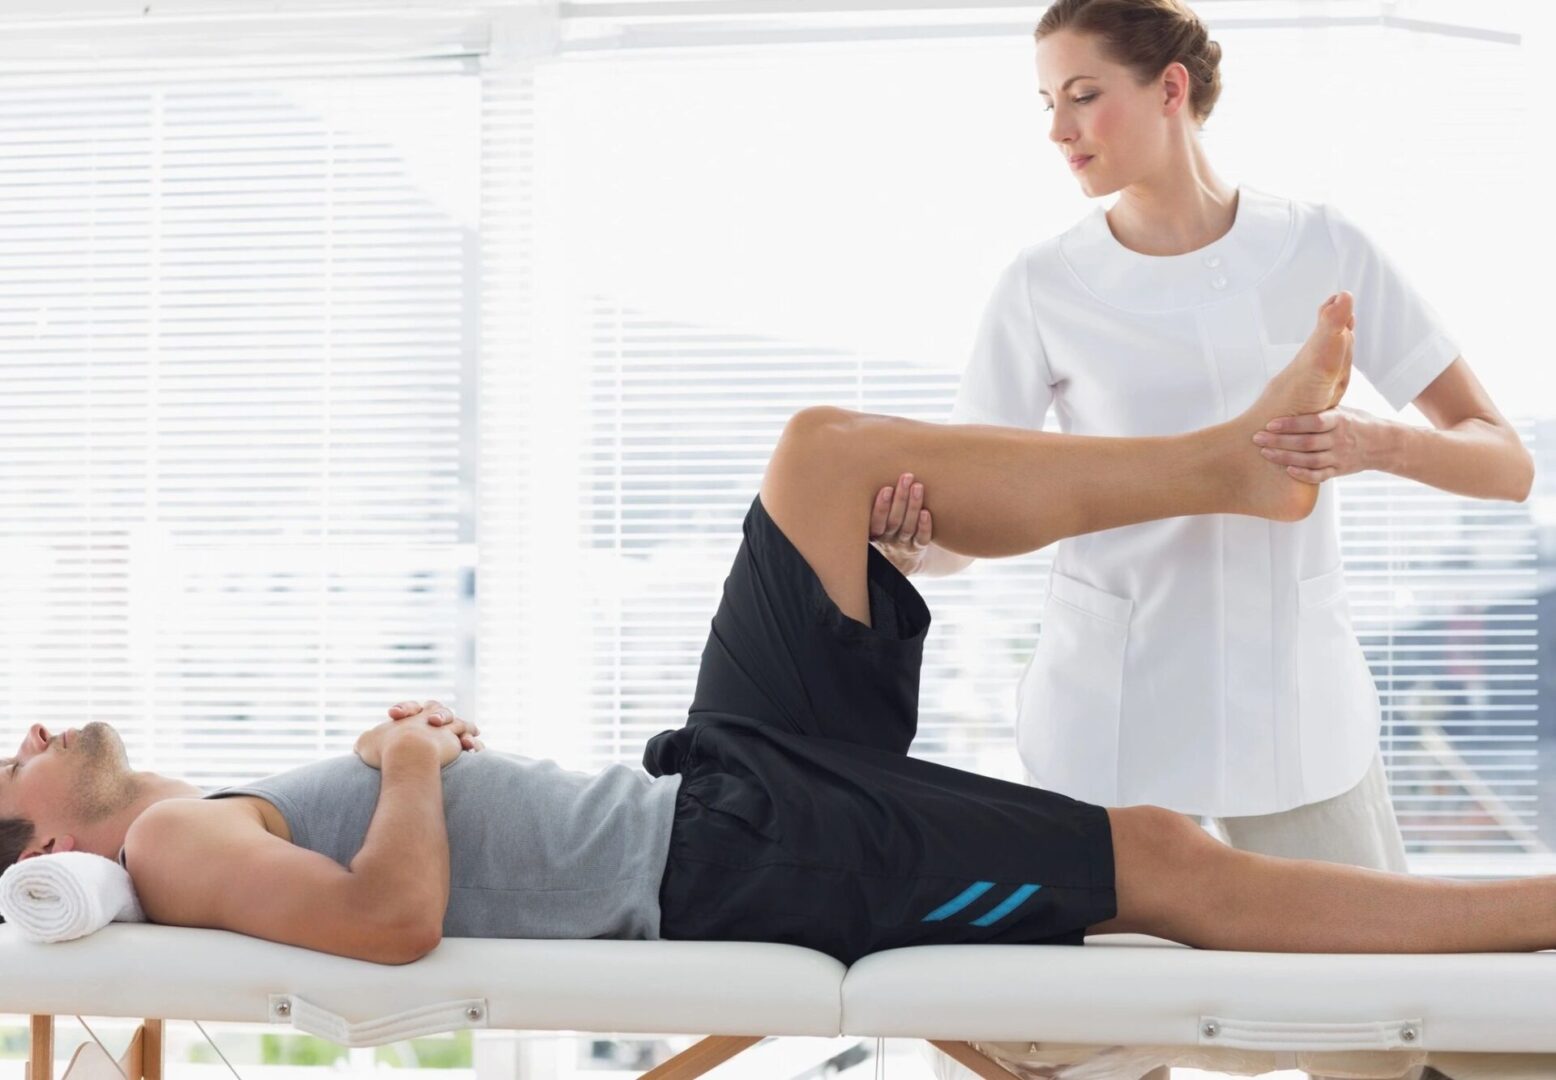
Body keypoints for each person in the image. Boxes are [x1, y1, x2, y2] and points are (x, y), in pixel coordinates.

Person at [4, 296, 1555, 971]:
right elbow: (385, 931)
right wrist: (408, 762)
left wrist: (411, 768)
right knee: (1162, 857)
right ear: (29, 847)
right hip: (737, 860)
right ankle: (1528, 920)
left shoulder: (180, 823)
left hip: (715, 788)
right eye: (10, 765)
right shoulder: (159, 851)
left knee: (821, 456)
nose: (33, 733)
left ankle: (1229, 468)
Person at [868, 10, 1531, 1078]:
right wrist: (910, 543)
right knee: (1080, 1045)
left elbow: (1502, 460)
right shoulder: (1040, 285)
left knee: (1377, 1038)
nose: (1058, 130)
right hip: (1113, 716)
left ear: (1170, 91)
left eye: (1083, 95)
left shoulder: (1319, 243)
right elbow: (971, 519)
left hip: (1296, 705)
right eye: (1045, 104)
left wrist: (1368, 444)